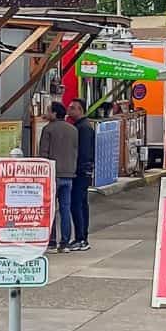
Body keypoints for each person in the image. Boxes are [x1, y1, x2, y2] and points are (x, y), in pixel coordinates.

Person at [38, 101, 78, 251]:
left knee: (50, 209)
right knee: (65, 209)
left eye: (48, 111)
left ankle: (52, 241)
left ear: (54, 114)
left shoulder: (48, 129)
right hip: (69, 174)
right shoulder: (73, 129)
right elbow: (75, 151)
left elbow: (43, 154)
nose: (46, 113)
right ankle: (65, 242)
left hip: (53, 174)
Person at [68, 99, 96, 252]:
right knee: (81, 204)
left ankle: (81, 238)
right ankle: (82, 237)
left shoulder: (83, 128)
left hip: (81, 171)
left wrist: (79, 168)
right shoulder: (81, 126)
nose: (69, 110)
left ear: (80, 109)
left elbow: (84, 152)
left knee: (77, 204)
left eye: (72, 108)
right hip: (84, 170)